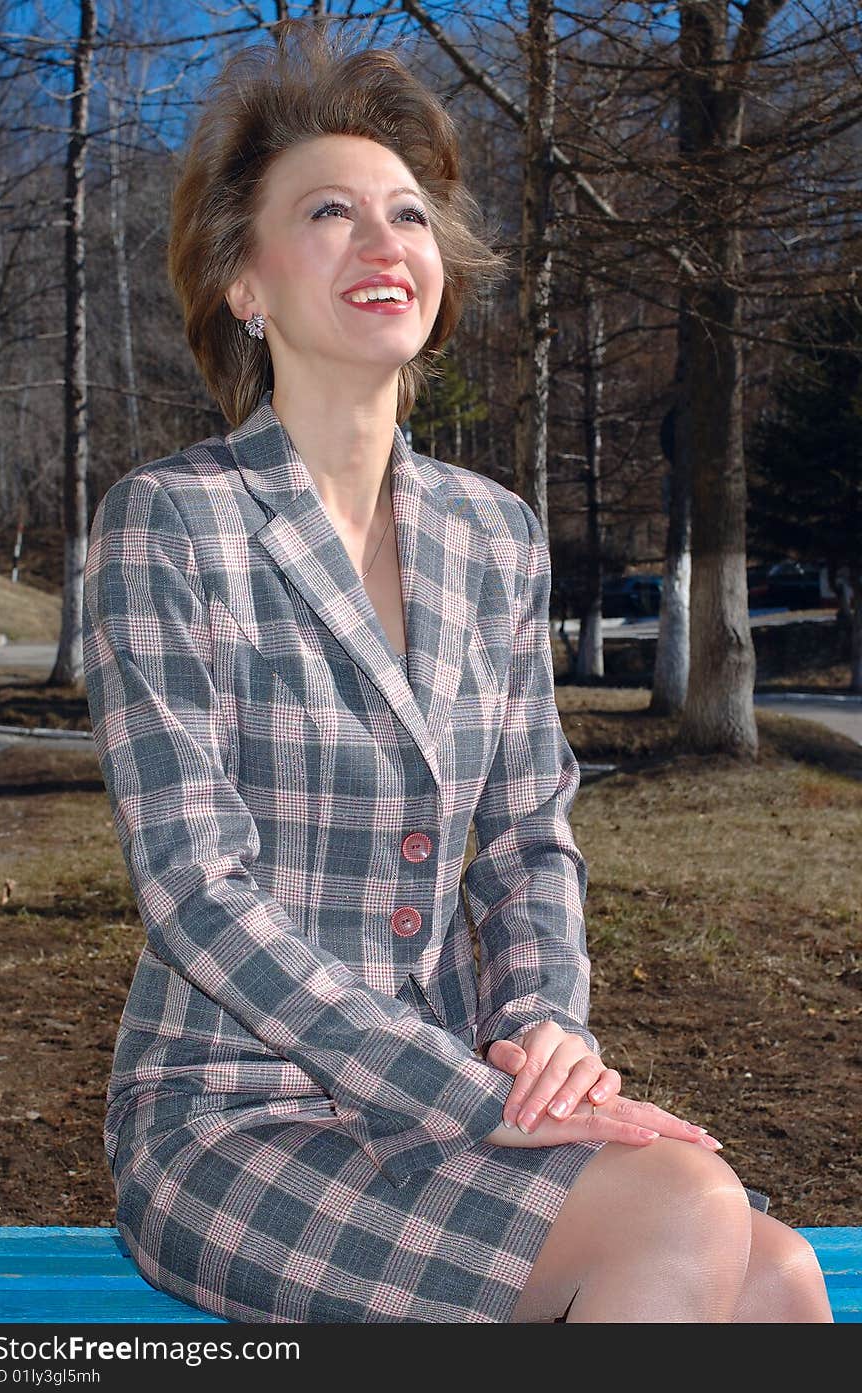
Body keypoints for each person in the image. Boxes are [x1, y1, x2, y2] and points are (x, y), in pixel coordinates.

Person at [82, 19, 832, 1324]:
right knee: (687, 1211)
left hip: (453, 1103)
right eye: (330, 212)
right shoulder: (171, 524)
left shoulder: (496, 535)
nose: (387, 245)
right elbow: (199, 895)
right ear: (244, 281)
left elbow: (525, 838)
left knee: (778, 1273)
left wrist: (549, 1031)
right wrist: (481, 1099)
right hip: (232, 1115)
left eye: (411, 215)